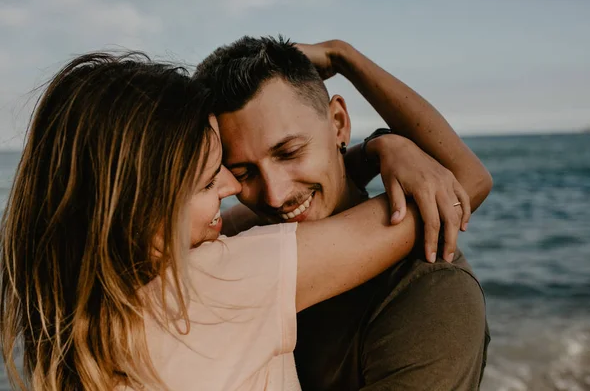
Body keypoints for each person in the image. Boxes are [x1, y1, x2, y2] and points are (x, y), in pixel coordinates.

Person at [0, 52, 456, 391]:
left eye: (226, 168)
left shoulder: (76, 327)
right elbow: (455, 188)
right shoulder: (223, 279)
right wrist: (377, 135)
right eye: (208, 181)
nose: (233, 188)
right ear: (143, 213)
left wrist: (353, 157)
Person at [195, 36, 493, 390]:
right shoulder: (241, 244)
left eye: (289, 152)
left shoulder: (428, 292)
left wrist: (375, 148)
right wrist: (373, 147)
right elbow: (467, 182)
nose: (275, 196)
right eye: (243, 174)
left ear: (338, 123)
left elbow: (461, 186)